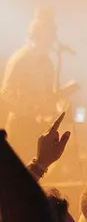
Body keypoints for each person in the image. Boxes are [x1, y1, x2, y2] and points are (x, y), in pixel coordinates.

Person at [1, 8, 76, 158]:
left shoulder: (47, 62)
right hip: (20, 124)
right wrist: (28, 107)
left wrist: (60, 97)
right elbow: (5, 92)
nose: (52, 38)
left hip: (38, 125)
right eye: (49, 33)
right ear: (38, 34)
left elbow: (47, 95)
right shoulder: (20, 59)